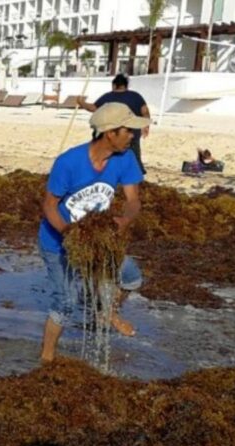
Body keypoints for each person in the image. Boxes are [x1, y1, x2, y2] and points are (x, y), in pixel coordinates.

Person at [38, 103, 150, 362]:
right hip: (57, 242)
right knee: (65, 303)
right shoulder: (69, 162)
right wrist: (71, 234)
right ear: (110, 133)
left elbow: (133, 200)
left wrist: (124, 220)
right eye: (128, 131)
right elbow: (49, 205)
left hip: (99, 239)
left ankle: (107, 312)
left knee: (131, 277)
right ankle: (46, 359)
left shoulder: (126, 158)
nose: (132, 135)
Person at [78, 74, 150, 174]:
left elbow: (93, 108)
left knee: (108, 158)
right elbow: (145, 112)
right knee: (133, 158)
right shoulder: (135, 96)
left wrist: (81, 103)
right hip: (131, 134)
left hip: (110, 135)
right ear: (126, 85)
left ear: (114, 85)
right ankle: (136, 177)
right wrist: (146, 125)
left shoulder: (108, 96)